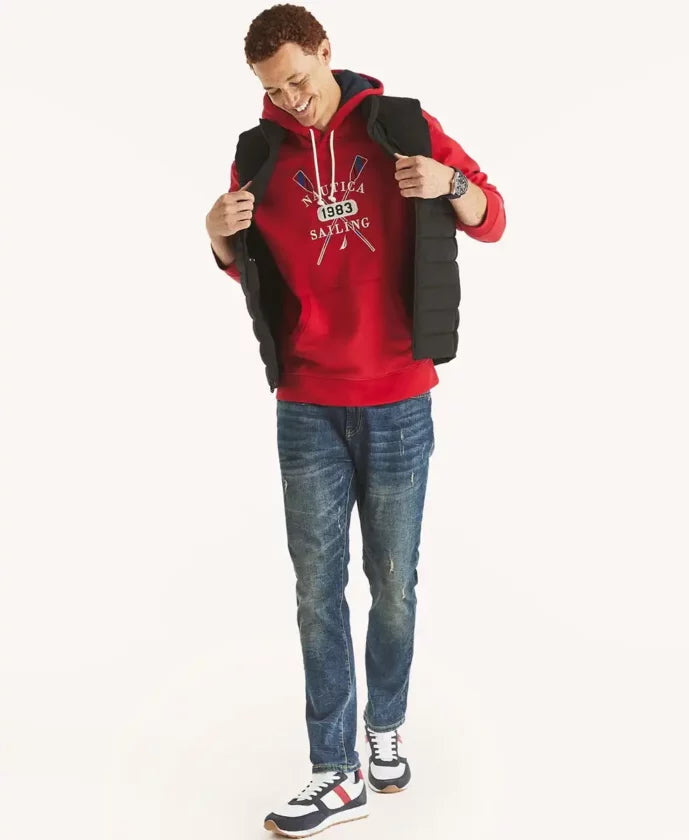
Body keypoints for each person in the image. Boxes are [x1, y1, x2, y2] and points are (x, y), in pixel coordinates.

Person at [205, 4, 506, 836]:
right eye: (274, 90)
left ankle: (386, 728)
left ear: (326, 52)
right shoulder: (259, 154)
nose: (292, 100)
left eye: (299, 80)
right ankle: (335, 770)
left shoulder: (401, 126)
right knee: (316, 591)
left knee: (394, 583)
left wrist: (449, 185)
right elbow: (251, 267)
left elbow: (493, 217)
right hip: (306, 404)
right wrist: (219, 240)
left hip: (398, 397)